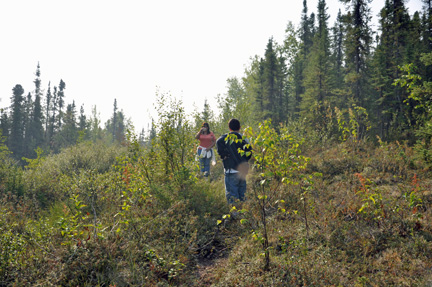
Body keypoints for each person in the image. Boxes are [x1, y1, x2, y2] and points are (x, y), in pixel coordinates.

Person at [216, 118, 252, 204]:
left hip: (231, 170)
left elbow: (218, 141)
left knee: (232, 196)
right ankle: (243, 214)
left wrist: (224, 155)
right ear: (239, 127)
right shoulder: (244, 139)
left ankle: (236, 215)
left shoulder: (225, 138)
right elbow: (249, 153)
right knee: (242, 194)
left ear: (229, 128)